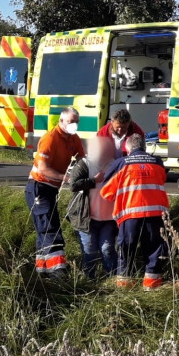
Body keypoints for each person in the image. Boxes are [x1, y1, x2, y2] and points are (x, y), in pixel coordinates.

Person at [100, 134, 170, 289]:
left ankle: (125, 289)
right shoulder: (158, 162)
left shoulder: (121, 164)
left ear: (127, 147)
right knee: (154, 251)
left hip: (130, 215)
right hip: (156, 215)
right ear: (144, 146)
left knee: (127, 252)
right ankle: (152, 288)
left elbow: (106, 192)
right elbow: (162, 179)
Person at [26, 107, 85, 277]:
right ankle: (58, 270)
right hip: (39, 186)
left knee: (43, 229)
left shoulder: (73, 138)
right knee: (50, 228)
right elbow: (43, 169)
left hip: (51, 189)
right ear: (61, 121)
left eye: (76, 122)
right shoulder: (50, 139)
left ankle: (43, 270)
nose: (74, 125)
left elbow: (81, 158)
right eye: (71, 121)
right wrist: (67, 178)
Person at [67, 138, 118, 279]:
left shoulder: (115, 165)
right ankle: (89, 280)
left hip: (108, 219)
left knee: (107, 249)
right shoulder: (85, 164)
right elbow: (73, 185)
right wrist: (94, 181)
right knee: (90, 250)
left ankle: (112, 280)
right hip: (86, 218)